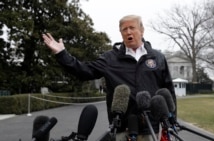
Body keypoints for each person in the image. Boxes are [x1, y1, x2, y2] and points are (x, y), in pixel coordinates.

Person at [42, 14, 176, 141]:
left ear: (142, 30)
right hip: (123, 128)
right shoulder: (110, 59)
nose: (128, 32)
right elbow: (84, 71)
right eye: (124, 29)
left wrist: (171, 122)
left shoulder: (157, 58)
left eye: (132, 28)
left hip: (151, 128)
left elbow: (168, 91)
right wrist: (62, 54)